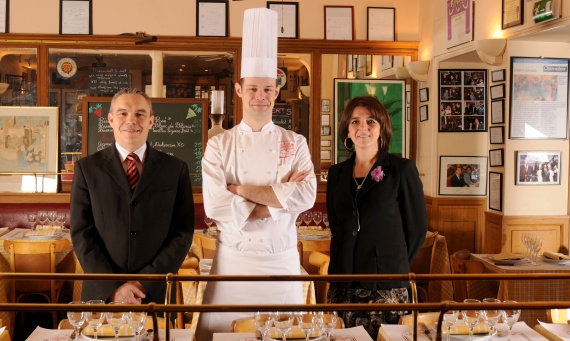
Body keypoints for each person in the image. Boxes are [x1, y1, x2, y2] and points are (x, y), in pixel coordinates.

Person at [198, 8, 317, 341]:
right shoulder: (219, 145)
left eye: (267, 89)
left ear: (277, 92)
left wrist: (241, 189)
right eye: (253, 89)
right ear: (239, 90)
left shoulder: (295, 142)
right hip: (233, 263)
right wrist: (281, 199)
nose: (260, 96)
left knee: (286, 336)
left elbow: (306, 195)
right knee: (223, 335)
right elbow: (215, 205)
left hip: (281, 263)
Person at [70, 88, 195, 306]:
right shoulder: (87, 169)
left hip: (155, 293)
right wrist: (114, 287)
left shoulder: (175, 169)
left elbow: (182, 233)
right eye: (123, 113)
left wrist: (144, 283)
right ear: (110, 119)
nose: (131, 120)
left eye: (140, 114)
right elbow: (82, 234)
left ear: (151, 121)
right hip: (102, 294)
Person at [325, 96, 427, 340]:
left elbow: (417, 230)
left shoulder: (401, 169)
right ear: (347, 131)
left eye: (371, 121)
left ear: (381, 128)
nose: (363, 128)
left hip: (386, 284)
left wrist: (391, 262)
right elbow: (337, 224)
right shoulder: (336, 173)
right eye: (355, 122)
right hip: (343, 282)